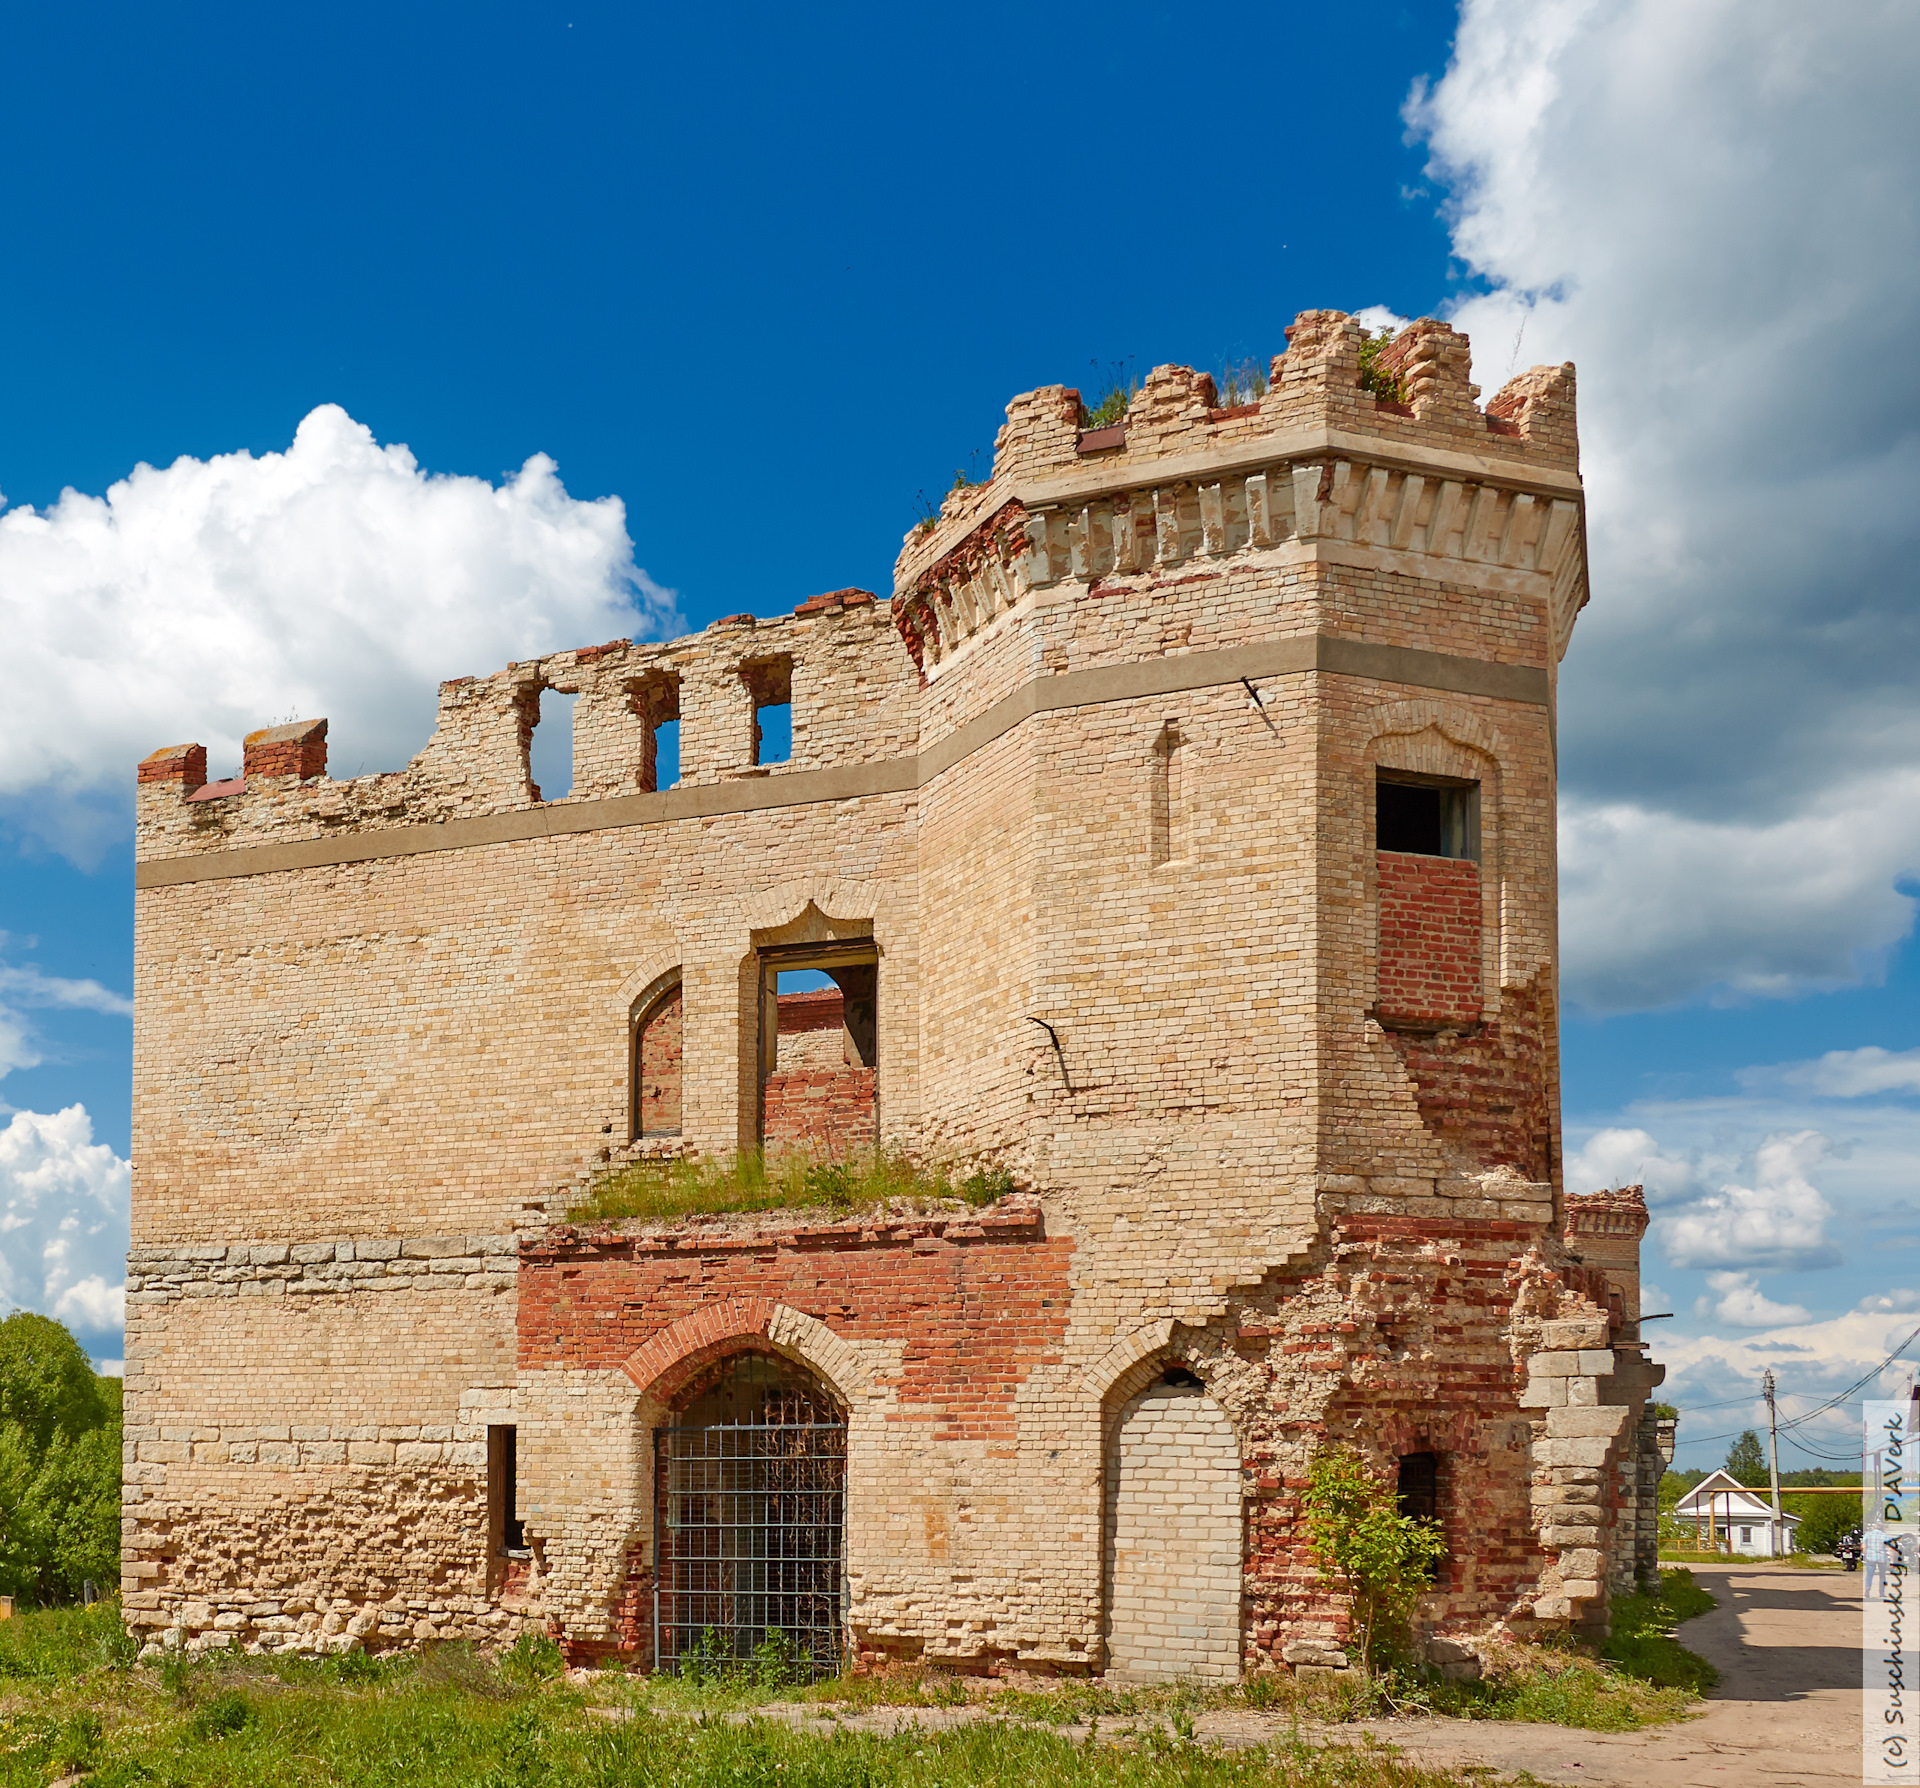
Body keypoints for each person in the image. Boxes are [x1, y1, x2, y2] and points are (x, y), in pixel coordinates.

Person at [1863, 1523, 1887, 1599]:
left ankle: (1867, 1588)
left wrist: (1865, 1554)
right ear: (1882, 1528)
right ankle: (1881, 1592)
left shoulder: (1868, 1535)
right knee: (1882, 1575)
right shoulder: (1884, 1535)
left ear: (1874, 1527)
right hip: (1882, 1557)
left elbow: (1864, 1546)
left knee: (1869, 1574)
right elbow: (1889, 1547)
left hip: (1870, 1556)